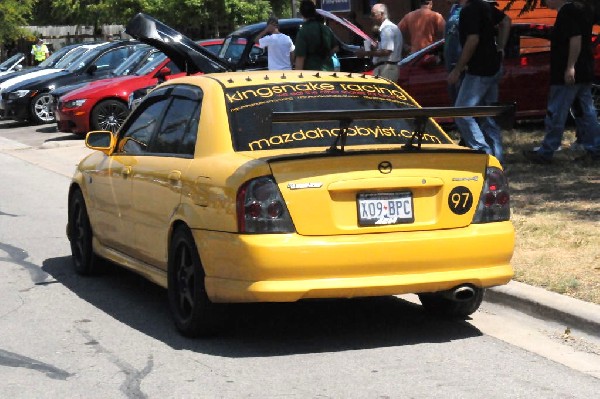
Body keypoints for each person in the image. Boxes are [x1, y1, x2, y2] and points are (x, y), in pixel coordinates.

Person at [523, 0, 600, 164]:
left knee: (557, 111)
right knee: (586, 111)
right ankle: (594, 148)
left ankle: (546, 151)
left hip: (568, 71)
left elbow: (575, 39)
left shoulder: (567, 12)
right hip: (584, 68)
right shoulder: (584, 9)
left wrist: (570, 67)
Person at [448, 0, 511, 166]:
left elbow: (472, 40)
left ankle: (483, 154)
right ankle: (497, 160)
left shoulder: (469, 11)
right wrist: (501, 47)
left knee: (462, 112)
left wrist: (458, 69)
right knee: (487, 114)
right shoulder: (485, 7)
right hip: (494, 66)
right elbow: (506, 21)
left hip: (479, 70)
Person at [354, 3, 403, 82]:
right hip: (386, 67)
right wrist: (374, 48)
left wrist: (365, 53)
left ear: (382, 14)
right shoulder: (389, 28)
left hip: (386, 68)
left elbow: (386, 51)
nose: (371, 17)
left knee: (384, 93)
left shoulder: (387, 29)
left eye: (373, 15)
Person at [294, 0, 336, 71]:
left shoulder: (303, 31)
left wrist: (298, 78)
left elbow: (300, 58)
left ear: (302, 13)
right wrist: (325, 53)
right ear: (314, 11)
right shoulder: (326, 29)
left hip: (312, 74)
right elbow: (336, 47)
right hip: (328, 71)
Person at [444, 0, 463, 105]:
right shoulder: (454, 9)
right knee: (455, 101)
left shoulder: (468, 9)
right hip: (450, 63)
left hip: (459, 64)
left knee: (462, 105)